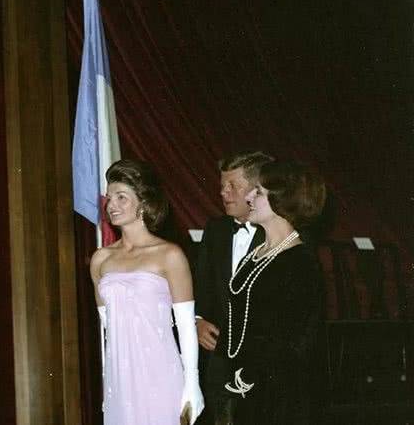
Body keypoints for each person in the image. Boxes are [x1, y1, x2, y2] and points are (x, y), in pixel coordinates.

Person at [92, 159, 204, 425]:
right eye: (109, 198)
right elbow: (107, 328)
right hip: (121, 378)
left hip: (160, 372)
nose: (112, 205)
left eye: (121, 197)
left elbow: (187, 327)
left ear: (143, 201)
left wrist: (192, 384)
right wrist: (109, 382)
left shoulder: (169, 255)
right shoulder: (101, 259)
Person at [221, 160, 326, 424]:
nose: (248, 197)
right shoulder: (256, 255)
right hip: (244, 386)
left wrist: (250, 377)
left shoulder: (300, 262)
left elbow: (293, 340)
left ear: (282, 200)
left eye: (258, 192)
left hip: (278, 396)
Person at [193, 150, 273, 425]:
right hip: (217, 358)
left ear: (257, 189)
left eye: (233, 186)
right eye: (222, 186)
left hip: (261, 363)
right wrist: (198, 321)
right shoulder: (214, 230)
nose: (224, 193)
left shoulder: (279, 236)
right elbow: (200, 286)